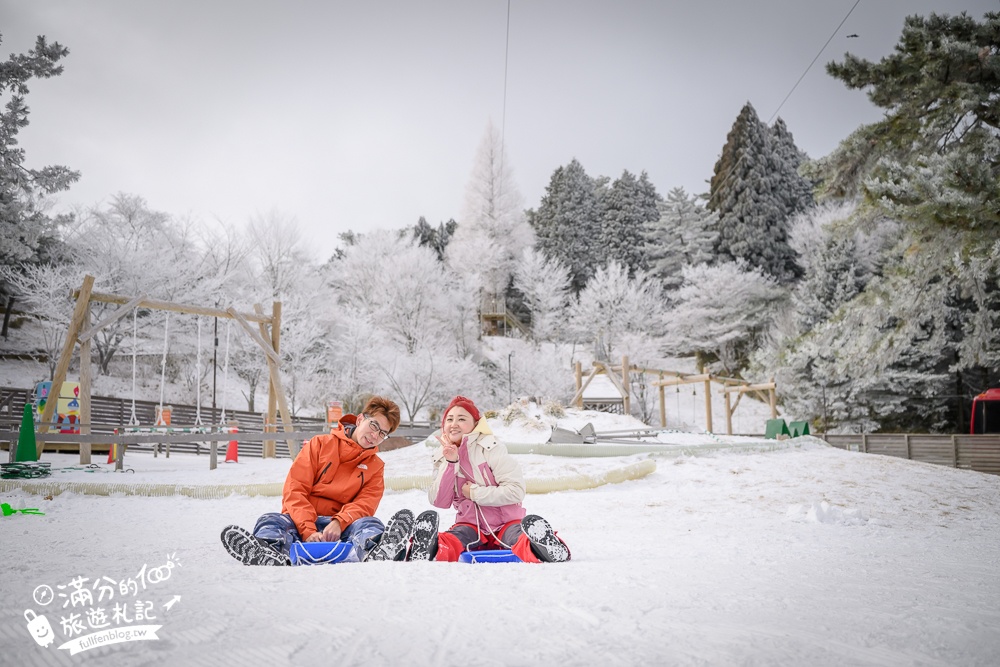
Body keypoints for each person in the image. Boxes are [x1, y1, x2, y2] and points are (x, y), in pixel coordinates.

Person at [221, 395, 407, 565]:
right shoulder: (319, 445)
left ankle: (379, 550)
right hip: (299, 523)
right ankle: (266, 551)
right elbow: (295, 489)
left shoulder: (375, 467)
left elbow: (365, 504)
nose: (375, 435)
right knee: (270, 520)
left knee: (370, 524)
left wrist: (339, 522)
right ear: (360, 419)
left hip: (341, 529)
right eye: (374, 426)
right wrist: (307, 530)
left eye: (383, 433)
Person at [405, 395, 570, 563]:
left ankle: (545, 546)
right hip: (469, 525)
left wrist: (475, 493)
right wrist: (450, 463)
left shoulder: (491, 448)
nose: (454, 424)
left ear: (476, 425)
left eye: (461, 419)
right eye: (449, 419)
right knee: (454, 538)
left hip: (506, 522)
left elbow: (516, 491)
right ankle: (429, 547)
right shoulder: (442, 457)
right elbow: (439, 501)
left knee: (518, 538)